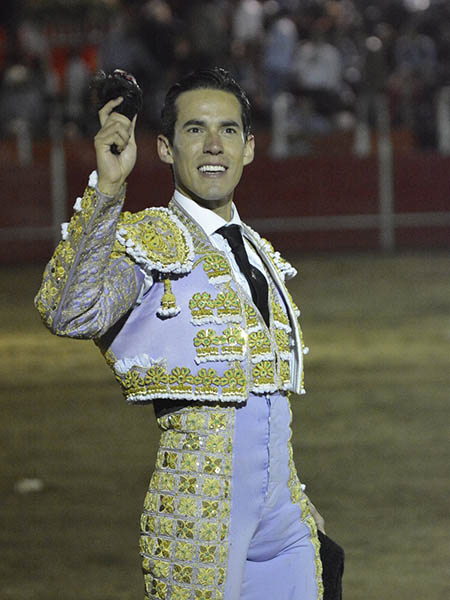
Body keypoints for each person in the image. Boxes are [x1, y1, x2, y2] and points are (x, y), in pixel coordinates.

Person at [35, 67, 327, 600]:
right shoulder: (150, 240)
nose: (214, 145)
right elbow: (69, 312)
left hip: (285, 521)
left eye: (228, 130)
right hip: (197, 515)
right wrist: (108, 186)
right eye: (195, 129)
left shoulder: (258, 251)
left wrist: (295, 500)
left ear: (249, 148)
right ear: (166, 148)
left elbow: (267, 403)